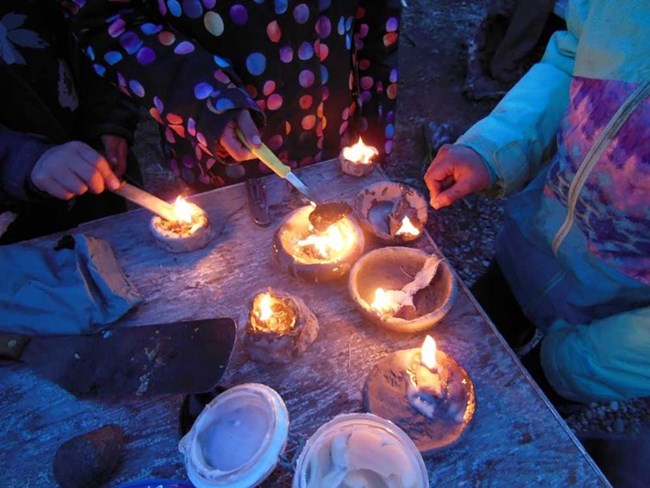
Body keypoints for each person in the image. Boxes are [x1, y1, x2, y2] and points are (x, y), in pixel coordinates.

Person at [424, 0, 649, 403]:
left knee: (510, 410)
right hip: (529, 247)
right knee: (468, 341)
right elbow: (571, 59)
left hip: (613, 321)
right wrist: (492, 148)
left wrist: (577, 364)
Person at [59, 0, 401, 191]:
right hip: (218, 160)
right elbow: (108, 20)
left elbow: (377, 22)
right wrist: (206, 101)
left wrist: (374, 135)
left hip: (333, 135)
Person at [0, 1, 139, 243]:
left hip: (95, 187)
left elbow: (98, 31)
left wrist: (111, 120)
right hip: (17, 231)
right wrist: (24, 158)